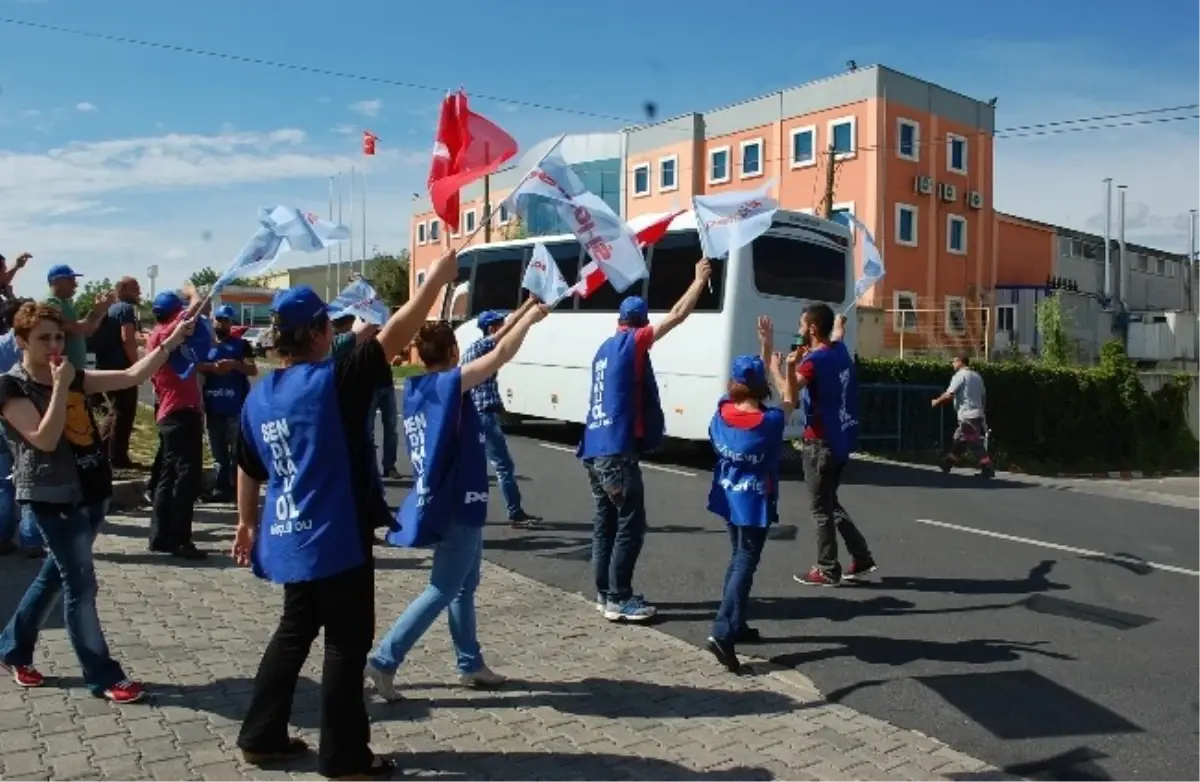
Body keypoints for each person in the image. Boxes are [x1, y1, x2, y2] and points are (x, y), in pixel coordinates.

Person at [230, 250, 462, 780]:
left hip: (289, 533)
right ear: (315, 332)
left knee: (293, 632)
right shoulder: (331, 381)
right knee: (346, 645)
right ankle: (345, 757)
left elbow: (248, 468)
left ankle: (261, 734)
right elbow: (394, 335)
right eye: (327, 328)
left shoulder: (259, 395)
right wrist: (434, 282)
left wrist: (246, 524)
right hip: (336, 533)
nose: (333, 335)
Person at [0, 301, 193, 702]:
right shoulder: (11, 387)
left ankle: (11, 649)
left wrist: (171, 341)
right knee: (81, 584)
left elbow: (130, 375)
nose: (54, 345)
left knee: (56, 575)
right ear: (21, 341)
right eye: (43, 338)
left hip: (92, 491)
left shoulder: (69, 375)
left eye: (59, 336)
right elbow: (45, 438)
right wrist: (59, 386)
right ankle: (103, 675)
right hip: (52, 497)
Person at [365, 299, 550, 702]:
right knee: (443, 589)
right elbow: (499, 353)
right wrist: (532, 320)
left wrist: (522, 312)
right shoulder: (448, 384)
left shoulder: (417, 387)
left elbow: (495, 342)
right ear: (451, 354)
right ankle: (383, 660)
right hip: (456, 504)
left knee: (465, 585)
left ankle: (470, 663)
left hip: (451, 499)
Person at [578, 259, 711, 623]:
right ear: (639, 324)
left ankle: (605, 594)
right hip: (617, 453)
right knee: (629, 525)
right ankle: (621, 598)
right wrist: (698, 280)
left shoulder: (604, 348)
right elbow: (679, 314)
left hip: (592, 448)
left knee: (604, 523)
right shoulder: (633, 343)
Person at [704, 319, 799, 674]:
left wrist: (763, 355)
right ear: (760, 387)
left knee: (736, 557)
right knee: (745, 561)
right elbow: (789, 398)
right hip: (756, 500)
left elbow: (748, 394)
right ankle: (723, 633)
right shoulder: (770, 423)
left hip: (728, 495)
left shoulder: (721, 413)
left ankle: (737, 622)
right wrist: (779, 367)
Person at [792, 305, 876, 587]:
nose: (799, 329)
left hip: (819, 441)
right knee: (830, 501)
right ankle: (861, 556)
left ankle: (827, 569)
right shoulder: (839, 350)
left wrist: (781, 367)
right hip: (841, 438)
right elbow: (838, 331)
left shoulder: (812, 362)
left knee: (820, 509)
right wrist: (840, 321)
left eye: (802, 324)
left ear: (813, 328)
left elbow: (790, 396)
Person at [460, 303, 543, 529]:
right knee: (503, 466)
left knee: (476, 465)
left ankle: (466, 510)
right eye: (499, 325)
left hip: (477, 414)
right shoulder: (483, 347)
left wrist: (529, 302)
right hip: (484, 415)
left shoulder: (477, 348)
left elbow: (510, 324)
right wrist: (528, 311)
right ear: (491, 328)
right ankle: (515, 514)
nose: (503, 327)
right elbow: (509, 328)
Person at [146, 289, 206, 560]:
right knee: (186, 477)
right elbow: (191, 312)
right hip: (181, 413)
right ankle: (180, 539)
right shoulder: (167, 334)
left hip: (170, 412)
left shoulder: (156, 336)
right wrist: (195, 294)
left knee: (168, 477)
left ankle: (160, 536)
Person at [199, 305, 257, 502]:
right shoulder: (205, 344)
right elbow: (195, 366)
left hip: (235, 406)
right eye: (219, 319)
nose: (222, 323)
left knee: (236, 450)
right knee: (218, 451)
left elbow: (253, 369)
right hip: (212, 406)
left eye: (226, 320)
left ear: (231, 323)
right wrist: (211, 368)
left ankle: (237, 488)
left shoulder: (241, 345)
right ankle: (221, 488)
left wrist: (234, 365)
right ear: (213, 320)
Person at [0, 298, 43, 558]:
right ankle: (31, 541)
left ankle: (3, 537)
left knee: (3, 482)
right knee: (30, 480)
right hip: (26, 420)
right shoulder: (30, 347)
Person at [90, 277, 143, 468]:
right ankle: (118, 458)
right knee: (124, 413)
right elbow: (127, 338)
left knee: (115, 411)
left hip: (104, 365)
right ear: (125, 289)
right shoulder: (125, 309)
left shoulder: (111, 309)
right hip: (121, 367)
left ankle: (103, 452)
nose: (139, 291)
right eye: (136, 288)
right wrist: (137, 366)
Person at [932, 355, 994, 477]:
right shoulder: (977, 376)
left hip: (967, 414)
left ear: (960, 362)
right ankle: (947, 463)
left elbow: (949, 394)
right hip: (977, 413)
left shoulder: (960, 376)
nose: (952, 364)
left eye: (954, 362)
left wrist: (936, 401)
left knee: (974, 442)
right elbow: (983, 397)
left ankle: (988, 467)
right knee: (959, 440)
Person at [42, 264, 112, 372]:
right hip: (61, 372)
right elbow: (75, 329)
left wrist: (102, 310)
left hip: (74, 370)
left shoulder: (67, 303)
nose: (75, 284)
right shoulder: (50, 303)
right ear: (57, 281)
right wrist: (96, 312)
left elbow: (87, 331)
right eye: (71, 279)